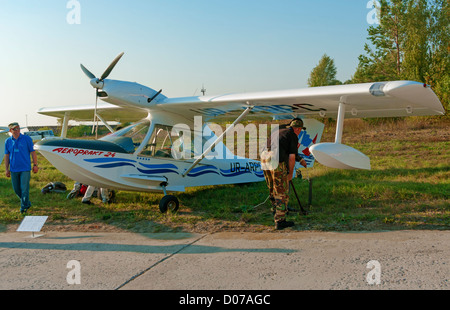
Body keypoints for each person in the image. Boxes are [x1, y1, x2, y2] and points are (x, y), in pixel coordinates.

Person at [261, 118, 307, 230]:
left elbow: (284, 148)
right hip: (276, 160)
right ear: (297, 128)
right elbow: (291, 157)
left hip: (264, 158)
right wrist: (290, 174)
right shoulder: (293, 136)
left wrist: (300, 159)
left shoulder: (279, 131)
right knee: (281, 190)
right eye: (300, 129)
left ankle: (275, 210)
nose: (300, 132)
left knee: (272, 188)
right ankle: (280, 220)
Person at [4, 122, 39, 214]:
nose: (17, 130)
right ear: (10, 130)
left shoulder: (26, 139)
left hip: (25, 169)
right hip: (14, 169)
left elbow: (33, 153)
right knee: (16, 189)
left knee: (24, 189)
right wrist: (6, 169)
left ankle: (23, 207)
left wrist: (35, 165)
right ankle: (27, 203)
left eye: (18, 128)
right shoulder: (8, 141)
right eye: (15, 129)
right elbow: (7, 156)